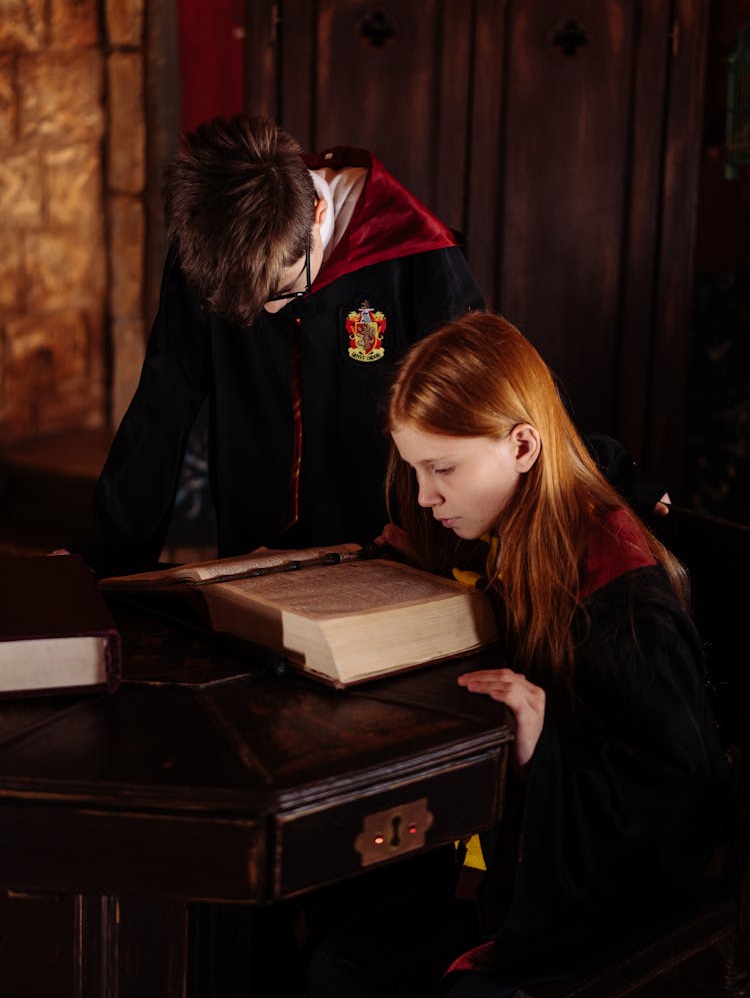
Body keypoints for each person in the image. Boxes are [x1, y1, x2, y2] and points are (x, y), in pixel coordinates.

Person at [306, 311, 728, 997]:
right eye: (414, 469)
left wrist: (544, 746)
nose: (424, 495)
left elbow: (685, 810)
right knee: (340, 951)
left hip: (605, 909)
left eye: (441, 468)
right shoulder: (517, 529)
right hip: (515, 867)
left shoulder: (625, 601)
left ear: (524, 446)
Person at [76, 115, 485, 576]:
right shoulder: (209, 238)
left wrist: (456, 557)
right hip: (251, 529)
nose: (269, 316)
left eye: (283, 293)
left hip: (382, 531)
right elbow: (165, 400)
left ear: (317, 213)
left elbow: (476, 416)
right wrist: (107, 558)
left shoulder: (417, 251)